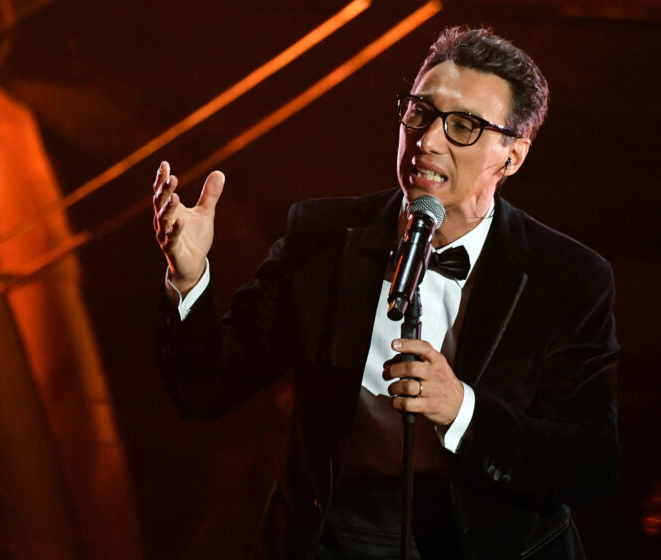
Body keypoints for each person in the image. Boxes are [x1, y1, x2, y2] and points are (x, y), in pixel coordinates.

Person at [153, 26, 619, 560]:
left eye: (463, 126)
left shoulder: (569, 277)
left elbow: (590, 467)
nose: (428, 140)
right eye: (419, 112)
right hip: (334, 532)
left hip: (489, 542)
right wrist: (188, 276)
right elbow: (205, 390)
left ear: (511, 156)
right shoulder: (323, 238)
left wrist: (462, 410)